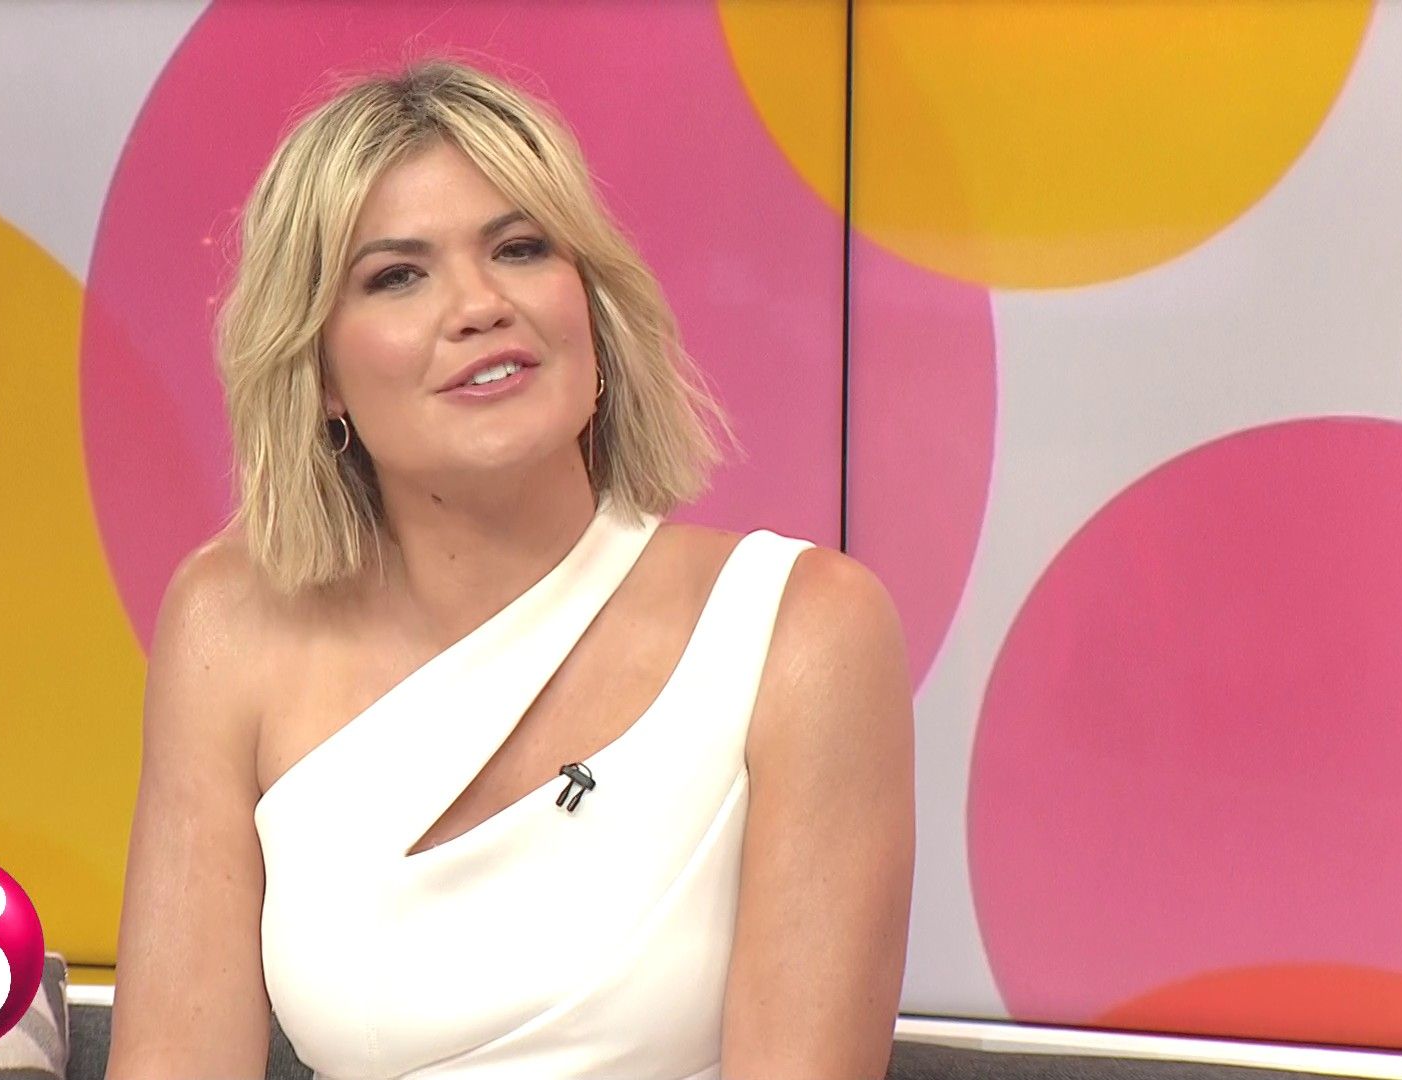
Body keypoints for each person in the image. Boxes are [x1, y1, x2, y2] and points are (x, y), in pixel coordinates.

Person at [108, 56, 915, 1080]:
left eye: (521, 249)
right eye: (398, 276)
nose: (480, 304)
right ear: (320, 374)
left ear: (591, 311)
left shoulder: (802, 629)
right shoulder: (229, 625)